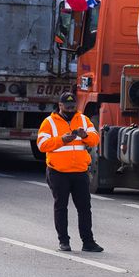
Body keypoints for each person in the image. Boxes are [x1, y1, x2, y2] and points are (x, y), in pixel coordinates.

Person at [37, 92, 104, 252]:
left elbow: (95, 139)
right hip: (58, 172)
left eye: (73, 106)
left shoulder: (82, 119)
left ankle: (88, 242)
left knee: (84, 208)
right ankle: (64, 241)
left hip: (79, 172)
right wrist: (61, 140)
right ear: (60, 106)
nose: (70, 108)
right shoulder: (49, 122)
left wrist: (85, 135)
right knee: (61, 207)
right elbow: (42, 144)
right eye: (67, 106)